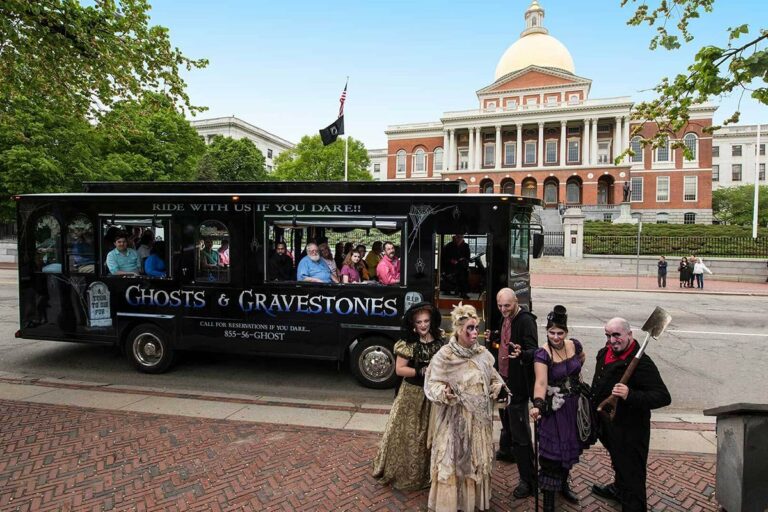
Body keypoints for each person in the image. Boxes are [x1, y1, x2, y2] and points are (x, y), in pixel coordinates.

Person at [424, 303, 508, 512]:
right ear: (458, 330)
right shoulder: (445, 356)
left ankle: (470, 503)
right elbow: (431, 384)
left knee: (474, 462)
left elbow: (494, 380)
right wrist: (445, 393)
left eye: (475, 328)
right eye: (469, 328)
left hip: (479, 424)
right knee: (451, 462)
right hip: (454, 421)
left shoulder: (483, 355)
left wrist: (500, 389)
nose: (474, 333)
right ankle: (451, 504)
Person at [591, 317, 671, 511]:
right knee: (618, 462)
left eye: (616, 335)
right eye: (608, 335)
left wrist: (630, 395)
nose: (612, 340)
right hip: (610, 424)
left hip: (631, 431)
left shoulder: (641, 363)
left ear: (629, 334)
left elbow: (663, 397)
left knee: (633, 476)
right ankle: (619, 489)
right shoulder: (605, 352)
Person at [372, 302, 444, 490]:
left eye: (426, 321)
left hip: (432, 396)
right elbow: (399, 369)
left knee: (429, 435)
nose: (423, 325)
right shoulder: (408, 343)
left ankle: (428, 474)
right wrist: (420, 371)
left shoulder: (438, 340)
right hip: (411, 395)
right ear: (413, 323)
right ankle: (407, 474)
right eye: (419, 321)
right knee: (410, 435)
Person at [529, 305, 585, 510]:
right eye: (551, 332)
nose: (556, 337)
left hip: (572, 407)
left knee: (567, 450)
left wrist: (576, 381)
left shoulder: (574, 345)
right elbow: (541, 383)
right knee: (552, 457)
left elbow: (580, 361)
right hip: (555, 410)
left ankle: (563, 485)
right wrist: (537, 404)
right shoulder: (542, 354)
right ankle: (549, 504)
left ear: (566, 332)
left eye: (560, 333)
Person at [484, 288, 537, 499]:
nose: (503, 309)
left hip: (517, 384)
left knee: (521, 434)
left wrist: (522, 353)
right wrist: (495, 337)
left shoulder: (526, 321)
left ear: (516, 301)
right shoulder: (505, 318)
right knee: (506, 419)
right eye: (500, 306)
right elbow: (505, 341)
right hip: (503, 380)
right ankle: (507, 451)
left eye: (507, 305)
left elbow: (534, 351)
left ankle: (529, 481)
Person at [442, 234, 470, 299]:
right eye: (457, 237)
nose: (459, 239)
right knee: (458, 273)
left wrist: (463, 259)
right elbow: (444, 258)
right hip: (450, 266)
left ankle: (463, 292)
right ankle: (455, 290)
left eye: (460, 237)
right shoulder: (448, 246)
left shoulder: (466, 246)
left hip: (461, 266)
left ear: (463, 238)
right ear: (454, 237)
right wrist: (451, 260)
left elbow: (467, 257)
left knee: (463, 273)